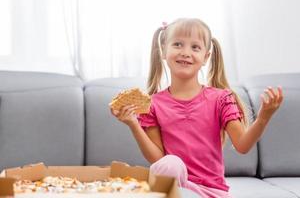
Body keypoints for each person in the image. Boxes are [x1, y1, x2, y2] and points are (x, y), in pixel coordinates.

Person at [110, 18, 283, 198]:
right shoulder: (152, 104)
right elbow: (158, 160)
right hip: (176, 189)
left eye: (195, 47)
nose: (185, 52)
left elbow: (243, 146)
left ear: (206, 57)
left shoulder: (221, 99)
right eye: (177, 44)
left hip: (213, 193)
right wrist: (133, 125)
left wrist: (263, 117)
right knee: (171, 163)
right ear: (163, 51)